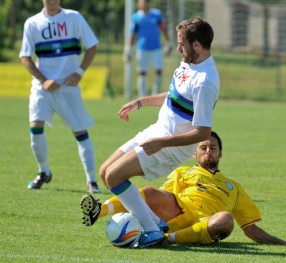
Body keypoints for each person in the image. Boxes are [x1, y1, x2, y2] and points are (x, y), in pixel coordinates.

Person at [81, 17, 220, 248]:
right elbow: (175, 96)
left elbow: (203, 131)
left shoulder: (205, 82)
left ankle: (152, 231)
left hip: (169, 146)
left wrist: (163, 143)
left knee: (116, 177)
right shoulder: (189, 63)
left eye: (181, 44)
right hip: (157, 132)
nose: (177, 48)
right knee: (106, 172)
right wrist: (140, 102)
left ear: (197, 45)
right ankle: (156, 222)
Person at [80, 131, 286, 247]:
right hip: (177, 211)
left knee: (225, 219)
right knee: (149, 191)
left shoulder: (236, 188)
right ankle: (99, 211)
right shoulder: (184, 172)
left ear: (221, 153)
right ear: (194, 153)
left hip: (204, 223)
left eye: (213, 147)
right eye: (203, 147)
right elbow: (159, 198)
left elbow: (251, 229)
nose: (208, 151)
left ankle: (167, 240)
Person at [19, 0, 100, 193]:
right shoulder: (32, 23)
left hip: (68, 88)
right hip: (42, 88)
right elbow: (25, 57)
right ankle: (43, 172)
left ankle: (92, 180)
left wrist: (79, 71)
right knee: (35, 129)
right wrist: (43, 80)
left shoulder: (74, 18)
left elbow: (92, 46)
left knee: (80, 132)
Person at [124, 0, 172, 97]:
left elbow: (163, 28)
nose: (144, 3)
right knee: (142, 72)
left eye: (146, 1)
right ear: (138, 3)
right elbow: (132, 34)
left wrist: (168, 43)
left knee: (159, 70)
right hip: (142, 49)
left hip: (156, 48)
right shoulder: (136, 17)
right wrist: (128, 48)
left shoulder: (157, 14)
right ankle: (143, 96)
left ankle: (155, 94)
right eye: (142, 1)